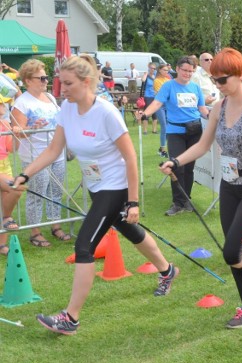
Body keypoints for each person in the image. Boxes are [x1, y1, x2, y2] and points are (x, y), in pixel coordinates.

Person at [11, 55, 178, 335]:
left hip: (115, 187)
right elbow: (53, 150)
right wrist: (25, 174)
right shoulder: (67, 109)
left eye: (68, 83)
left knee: (84, 247)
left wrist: (134, 201)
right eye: (59, 82)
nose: (61, 89)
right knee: (130, 231)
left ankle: (70, 318)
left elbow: (130, 158)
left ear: (86, 82)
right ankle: (167, 270)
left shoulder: (106, 113)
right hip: (96, 185)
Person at [159, 48, 242, 328]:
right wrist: (176, 161)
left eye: (222, 79)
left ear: (239, 75)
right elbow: (203, 145)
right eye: (214, 80)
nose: (218, 85)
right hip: (229, 184)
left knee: (231, 252)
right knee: (233, 250)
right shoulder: (220, 106)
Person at [137, 57, 209, 216]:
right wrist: (145, 114)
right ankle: (178, 203)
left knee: (189, 169)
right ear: (177, 69)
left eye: (191, 71)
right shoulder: (168, 86)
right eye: (185, 70)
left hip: (195, 131)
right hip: (176, 132)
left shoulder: (195, 87)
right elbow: (157, 103)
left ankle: (187, 200)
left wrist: (211, 115)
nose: (188, 74)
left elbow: (202, 108)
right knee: (176, 167)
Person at [11, 59, 71, 247]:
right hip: (35, 155)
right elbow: (17, 130)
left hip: (57, 153)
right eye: (42, 78)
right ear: (28, 80)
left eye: (47, 77)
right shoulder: (22, 103)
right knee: (37, 194)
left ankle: (55, 225)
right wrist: (32, 127)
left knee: (55, 191)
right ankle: (35, 231)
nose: (46, 81)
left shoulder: (51, 98)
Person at [0, 100, 21, 256]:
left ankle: (1, 244)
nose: (4, 107)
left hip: (4, 163)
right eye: (1, 104)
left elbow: (11, 148)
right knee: (16, 188)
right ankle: (6, 217)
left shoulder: (4, 123)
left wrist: (16, 135)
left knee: (5, 200)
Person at [153, 64, 171, 157]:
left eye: (167, 70)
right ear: (159, 70)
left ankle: (163, 147)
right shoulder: (157, 80)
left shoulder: (168, 80)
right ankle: (163, 149)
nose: (166, 72)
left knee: (169, 126)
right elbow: (162, 94)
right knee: (164, 126)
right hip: (160, 105)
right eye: (164, 70)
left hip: (168, 105)